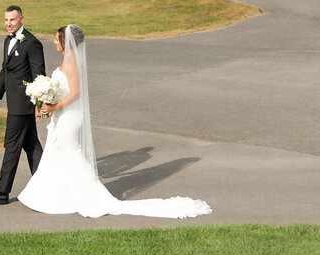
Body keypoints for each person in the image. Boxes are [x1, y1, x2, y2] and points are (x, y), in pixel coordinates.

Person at [18, 24, 212, 219]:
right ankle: (53, 195)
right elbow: (64, 90)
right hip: (61, 115)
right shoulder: (66, 61)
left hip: (68, 117)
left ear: (65, 42)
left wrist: (55, 107)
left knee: (70, 154)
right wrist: (48, 104)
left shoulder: (72, 64)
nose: (53, 42)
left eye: (56, 39)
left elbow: (76, 93)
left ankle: (91, 196)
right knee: (56, 151)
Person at [0, 5, 46, 205]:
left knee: (11, 145)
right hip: (13, 102)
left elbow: (39, 75)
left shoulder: (32, 43)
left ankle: (2, 191)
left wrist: (38, 103)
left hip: (23, 105)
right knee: (31, 145)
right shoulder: (7, 41)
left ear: (21, 19)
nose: (9, 24)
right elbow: (5, 72)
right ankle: (47, 183)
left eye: (12, 20)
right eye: (6, 20)